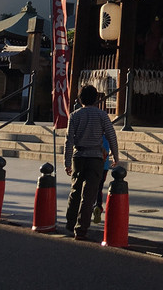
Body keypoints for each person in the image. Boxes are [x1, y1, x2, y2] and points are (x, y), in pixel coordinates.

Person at [65, 84, 119, 239]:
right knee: (89, 194)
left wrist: (67, 162)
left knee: (75, 190)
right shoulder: (102, 116)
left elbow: (69, 140)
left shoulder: (74, 116)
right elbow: (111, 135)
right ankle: (81, 228)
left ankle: (70, 223)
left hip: (79, 155)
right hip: (96, 156)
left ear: (80, 99)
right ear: (96, 99)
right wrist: (115, 156)